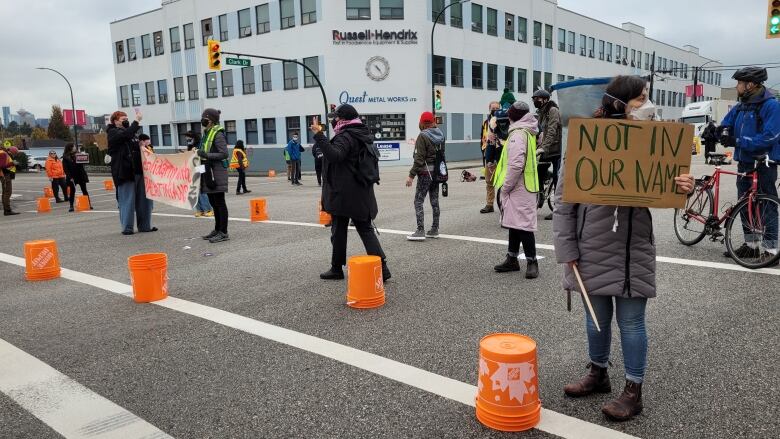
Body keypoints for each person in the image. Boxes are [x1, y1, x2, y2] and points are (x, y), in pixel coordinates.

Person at [553, 75, 694, 422]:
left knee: (632, 324)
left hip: (633, 251)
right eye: (640, 98)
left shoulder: (658, 141)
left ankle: (634, 389)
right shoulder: (585, 142)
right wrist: (567, 250)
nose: (647, 104)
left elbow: (668, 189)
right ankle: (598, 372)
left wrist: (684, 187)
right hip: (591, 248)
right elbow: (562, 202)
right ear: (619, 102)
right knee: (595, 320)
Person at [311, 104, 390, 281]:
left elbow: (335, 155)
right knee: (365, 228)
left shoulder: (345, 137)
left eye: (336, 118)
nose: (333, 121)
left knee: (339, 230)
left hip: (343, 193)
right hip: (360, 191)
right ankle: (382, 268)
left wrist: (319, 135)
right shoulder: (362, 134)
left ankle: (336, 269)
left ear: (343, 119)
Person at [719, 66, 779, 260]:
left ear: (750, 85)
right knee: (745, 203)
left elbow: (770, 137)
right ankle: (751, 244)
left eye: (739, 83)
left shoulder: (771, 106)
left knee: (766, 205)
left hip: (764, 162)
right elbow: (726, 122)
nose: (736, 86)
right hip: (744, 162)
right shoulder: (743, 105)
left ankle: (771, 250)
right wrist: (720, 131)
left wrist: (738, 141)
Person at [492, 102, 539, 278]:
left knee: (524, 225)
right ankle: (512, 258)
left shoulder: (517, 134)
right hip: (525, 185)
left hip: (518, 186)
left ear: (514, 116)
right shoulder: (527, 131)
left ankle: (531, 261)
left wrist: (506, 187)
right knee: (515, 223)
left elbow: (516, 164)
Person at [107, 110, 157, 235]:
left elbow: (131, 140)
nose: (126, 120)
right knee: (128, 201)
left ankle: (145, 225)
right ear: (115, 121)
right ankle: (127, 227)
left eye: (126, 118)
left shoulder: (131, 133)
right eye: (123, 119)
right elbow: (125, 136)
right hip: (126, 172)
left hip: (140, 171)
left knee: (145, 200)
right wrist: (137, 121)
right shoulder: (113, 132)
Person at [406, 111, 444, 241]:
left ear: (422, 123)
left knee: (418, 200)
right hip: (438, 172)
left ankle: (420, 230)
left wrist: (411, 176)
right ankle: (435, 229)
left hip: (425, 172)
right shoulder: (440, 134)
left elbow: (419, 159)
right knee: (434, 201)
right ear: (433, 121)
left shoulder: (423, 136)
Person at [198, 108, 230, 243]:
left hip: (216, 173)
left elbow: (224, 153)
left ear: (210, 120)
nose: (203, 121)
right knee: (213, 203)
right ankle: (217, 229)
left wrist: (206, 155)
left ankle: (223, 232)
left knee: (219, 203)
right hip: (207, 172)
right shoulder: (207, 133)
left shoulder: (218, 133)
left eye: (204, 118)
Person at [532, 89, 563, 220]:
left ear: (545, 99)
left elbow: (552, 130)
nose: (535, 101)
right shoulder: (542, 112)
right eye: (534, 99)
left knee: (557, 177)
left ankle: (558, 209)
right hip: (546, 148)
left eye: (537, 99)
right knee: (538, 170)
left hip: (556, 148)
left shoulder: (553, 110)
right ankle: (540, 196)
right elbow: (539, 131)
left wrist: (543, 147)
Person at [184, 130, 213, 218]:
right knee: (194, 189)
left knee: (200, 188)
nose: (188, 141)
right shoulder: (189, 146)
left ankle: (208, 209)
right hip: (192, 169)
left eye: (189, 139)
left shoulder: (200, 144)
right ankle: (199, 210)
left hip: (200, 167)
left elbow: (203, 155)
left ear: (193, 137)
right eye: (187, 139)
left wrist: (196, 151)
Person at [481, 101, 501, 213]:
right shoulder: (486, 122)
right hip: (488, 152)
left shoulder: (503, 121)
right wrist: (484, 153)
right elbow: (483, 138)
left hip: (499, 153)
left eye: (497, 108)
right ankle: (489, 204)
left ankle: (504, 203)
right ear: (489, 109)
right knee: (489, 181)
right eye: (493, 108)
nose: (495, 110)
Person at [62, 143, 92, 212]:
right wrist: (70, 177)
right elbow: (65, 169)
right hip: (72, 177)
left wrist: (85, 156)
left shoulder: (78, 154)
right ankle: (71, 206)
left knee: (84, 190)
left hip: (80, 175)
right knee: (72, 191)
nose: (75, 147)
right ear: (70, 148)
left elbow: (85, 163)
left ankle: (88, 204)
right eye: (74, 146)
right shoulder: (65, 157)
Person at [0, 145, 20, 216]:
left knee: (5, 192)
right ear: (12, 152)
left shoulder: (3, 153)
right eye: (15, 154)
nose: (14, 155)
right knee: (7, 192)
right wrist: (12, 163)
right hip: (5, 176)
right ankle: (7, 210)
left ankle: (7, 209)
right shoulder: (4, 154)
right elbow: (2, 165)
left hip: (4, 175)